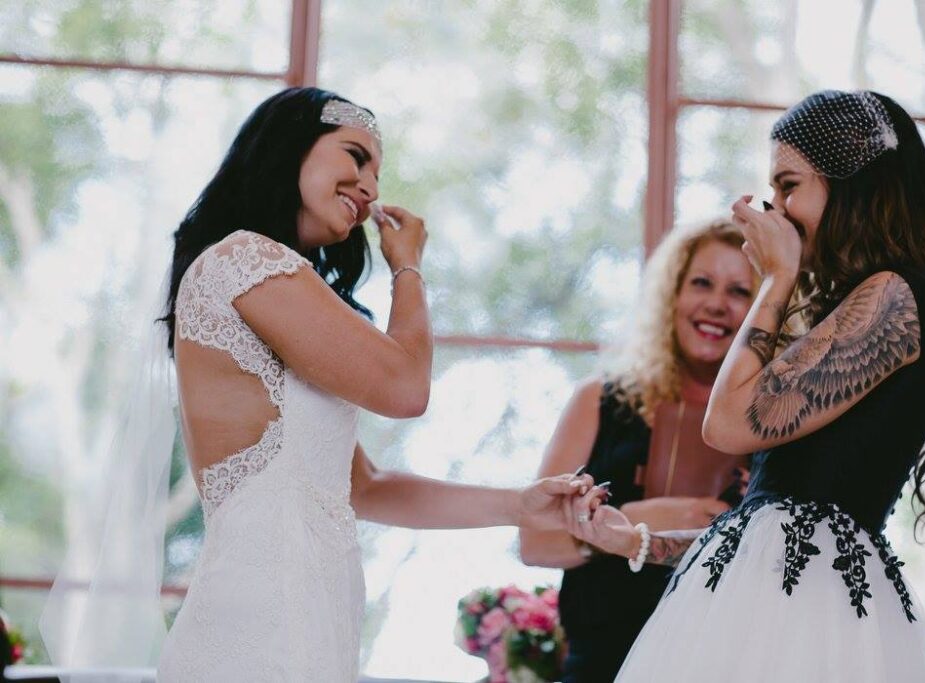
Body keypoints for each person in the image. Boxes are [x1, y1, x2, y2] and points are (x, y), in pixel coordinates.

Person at [42, 87, 590, 682]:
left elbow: (369, 487)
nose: (372, 187)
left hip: (312, 618)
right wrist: (407, 267)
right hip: (259, 627)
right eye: (356, 157)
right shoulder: (243, 259)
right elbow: (407, 389)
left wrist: (520, 504)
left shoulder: (280, 289)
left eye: (378, 173)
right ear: (291, 146)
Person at [567, 90, 925, 682]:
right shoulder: (864, 300)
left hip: (809, 608)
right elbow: (775, 510)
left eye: (788, 185)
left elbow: (728, 424)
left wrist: (777, 278)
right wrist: (641, 542)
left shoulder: (898, 296)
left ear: (851, 182)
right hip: (778, 592)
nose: (774, 208)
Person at [518, 220, 754, 682]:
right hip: (603, 664)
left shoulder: (772, 423)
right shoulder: (599, 402)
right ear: (672, 294)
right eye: (701, 283)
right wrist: (641, 518)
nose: (716, 304)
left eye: (740, 291)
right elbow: (534, 541)